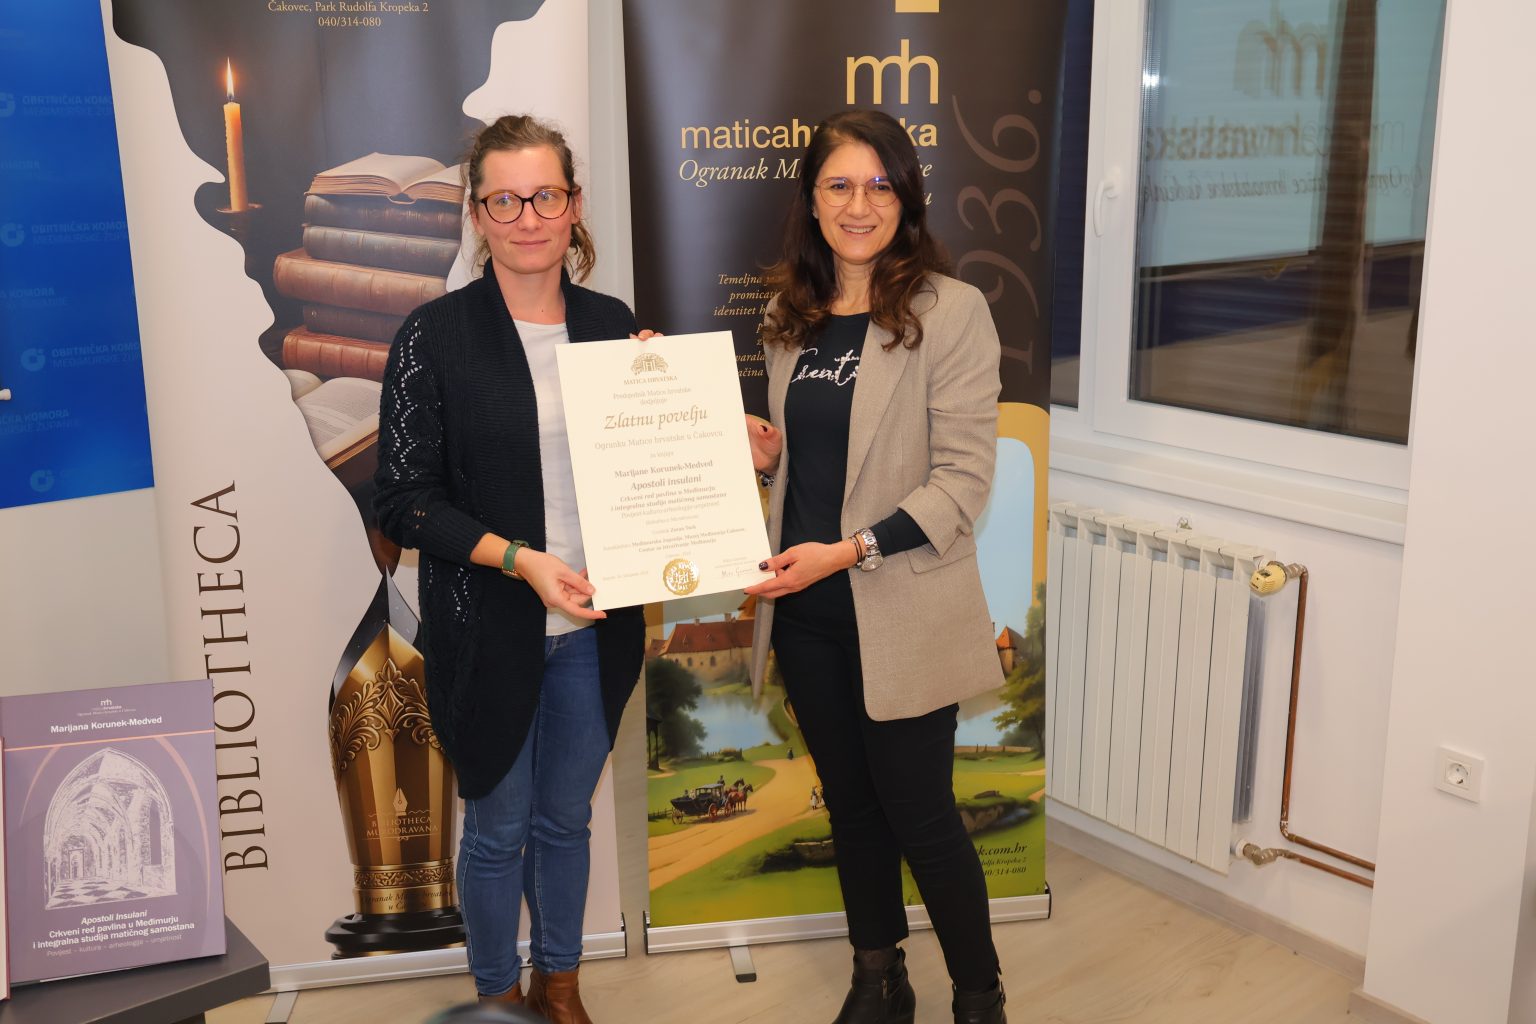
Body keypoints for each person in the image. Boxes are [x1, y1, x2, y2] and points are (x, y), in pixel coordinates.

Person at [375, 113, 648, 1023]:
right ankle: (497, 999)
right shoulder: (434, 335)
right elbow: (403, 502)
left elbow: (651, 471)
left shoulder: (614, 328)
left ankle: (559, 986)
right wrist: (520, 560)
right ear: (477, 214)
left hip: (596, 629)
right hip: (487, 628)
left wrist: (726, 439)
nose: (528, 217)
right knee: (496, 834)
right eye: (505, 200)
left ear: (574, 206)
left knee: (565, 822)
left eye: (546, 196)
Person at [745, 109, 1008, 1024]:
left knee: (921, 817)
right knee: (851, 810)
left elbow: (963, 482)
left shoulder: (952, 312)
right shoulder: (788, 316)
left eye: (879, 185)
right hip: (807, 617)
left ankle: (979, 997)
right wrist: (763, 458)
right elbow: (816, 462)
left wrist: (850, 550)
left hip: (901, 606)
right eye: (839, 185)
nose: (859, 205)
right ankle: (878, 979)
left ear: (906, 198)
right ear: (812, 200)